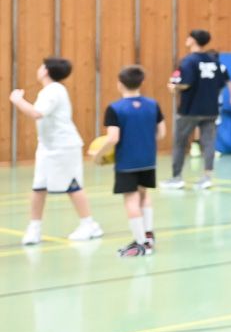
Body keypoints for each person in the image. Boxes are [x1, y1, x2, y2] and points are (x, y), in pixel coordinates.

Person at [9, 57, 104, 246]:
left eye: (41, 66)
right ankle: (34, 228)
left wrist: (18, 100)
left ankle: (89, 225)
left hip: (64, 147)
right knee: (38, 188)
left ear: (45, 71)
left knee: (73, 186)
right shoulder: (50, 91)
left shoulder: (54, 91)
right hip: (47, 147)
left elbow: (37, 113)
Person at [93, 66, 166, 258]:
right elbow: (161, 133)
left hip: (127, 161)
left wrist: (98, 155)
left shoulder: (115, 108)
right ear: (142, 82)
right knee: (144, 195)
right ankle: (148, 235)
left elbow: (113, 138)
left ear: (119, 84)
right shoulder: (153, 104)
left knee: (131, 200)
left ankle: (141, 244)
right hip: (148, 159)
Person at [163, 29, 231, 191]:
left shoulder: (189, 61)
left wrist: (174, 87)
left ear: (193, 40)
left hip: (190, 110)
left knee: (180, 142)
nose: (186, 39)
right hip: (210, 108)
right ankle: (207, 177)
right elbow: (220, 84)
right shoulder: (214, 61)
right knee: (209, 143)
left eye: (188, 37)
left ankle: (177, 178)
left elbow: (186, 83)